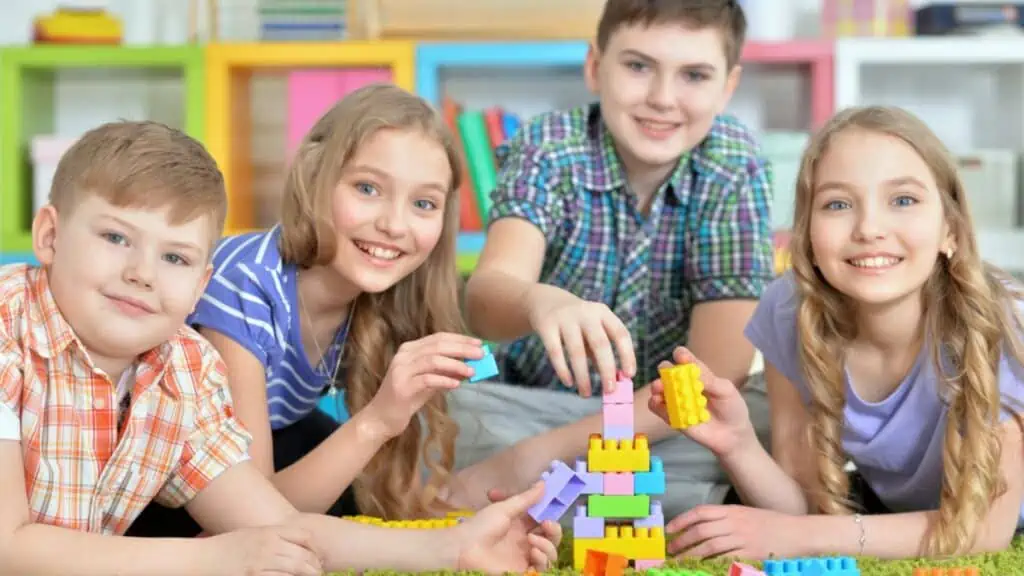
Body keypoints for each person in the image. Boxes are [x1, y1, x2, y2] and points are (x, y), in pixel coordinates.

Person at [0, 120, 560, 575]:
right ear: (49, 236)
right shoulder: (8, 336)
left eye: (174, 257)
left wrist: (453, 546)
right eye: (116, 237)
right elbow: (9, 548)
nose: (141, 273)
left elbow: (274, 525)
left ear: (200, 282)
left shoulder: (182, 371)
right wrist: (212, 559)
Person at [124, 83, 560, 536]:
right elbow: (247, 522)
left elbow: (387, 488)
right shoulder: (244, 286)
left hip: (260, 453)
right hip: (153, 492)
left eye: (423, 204)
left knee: (356, 486)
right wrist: (378, 420)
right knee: (338, 473)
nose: (393, 225)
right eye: (367, 188)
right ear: (314, 176)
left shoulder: (377, 296)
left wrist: (470, 527)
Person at [650, 106, 1024, 560]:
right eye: (838, 204)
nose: (869, 229)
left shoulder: (1002, 323)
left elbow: (984, 531)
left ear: (951, 230)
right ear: (807, 237)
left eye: (903, 200)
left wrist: (799, 538)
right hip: (898, 513)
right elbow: (804, 506)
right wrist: (739, 443)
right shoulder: (790, 310)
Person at [451, 0, 775, 516]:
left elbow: (717, 374)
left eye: (694, 74)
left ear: (727, 87)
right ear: (595, 67)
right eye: (638, 66)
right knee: (443, 409)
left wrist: (534, 457)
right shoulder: (550, 145)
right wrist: (541, 302)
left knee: (756, 416)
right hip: (532, 405)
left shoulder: (734, 165)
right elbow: (486, 301)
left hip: (660, 419)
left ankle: (541, 490)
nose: (662, 98)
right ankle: (609, 497)